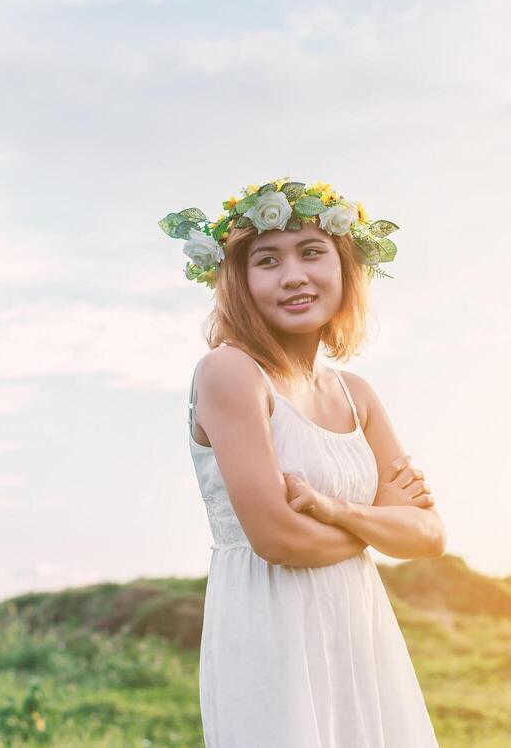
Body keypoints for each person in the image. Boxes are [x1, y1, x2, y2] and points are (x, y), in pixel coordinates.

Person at [161, 178, 443, 746]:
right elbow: (278, 540)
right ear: (238, 281)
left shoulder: (355, 393)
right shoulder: (229, 372)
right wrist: (380, 525)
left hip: (359, 625)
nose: (293, 276)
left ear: (345, 269)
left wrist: (334, 511)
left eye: (312, 253)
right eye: (267, 261)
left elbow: (430, 536)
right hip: (271, 624)